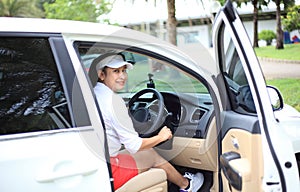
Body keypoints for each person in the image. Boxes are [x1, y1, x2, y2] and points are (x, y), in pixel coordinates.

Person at [92, 53, 204, 192]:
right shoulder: (113, 102)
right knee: (151, 154)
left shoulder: (93, 94)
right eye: (116, 71)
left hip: (98, 163)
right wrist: (161, 137)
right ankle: (186, 185)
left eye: (124, 70)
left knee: (145, 151)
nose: (122, 76)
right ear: (101, 75)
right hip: (109, 171)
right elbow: (134, 145)